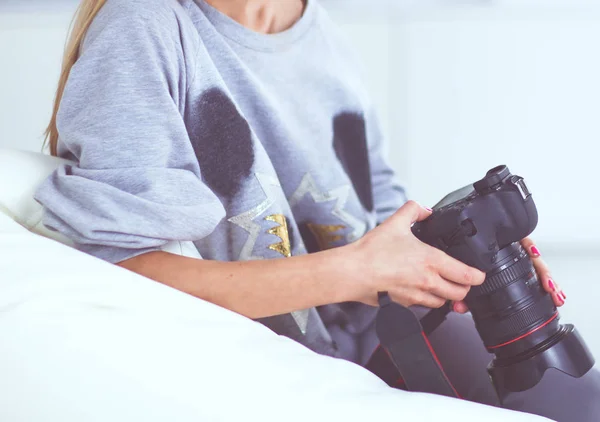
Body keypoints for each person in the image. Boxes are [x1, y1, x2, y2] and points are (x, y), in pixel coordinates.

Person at [34, 0, 599, 420]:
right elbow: (121, 276)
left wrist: (472, 261)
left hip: (376, 340)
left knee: (574, 393)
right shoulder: (144, 30)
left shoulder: (321, 37)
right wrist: (352, 273)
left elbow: (373, 218)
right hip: (269, 374)